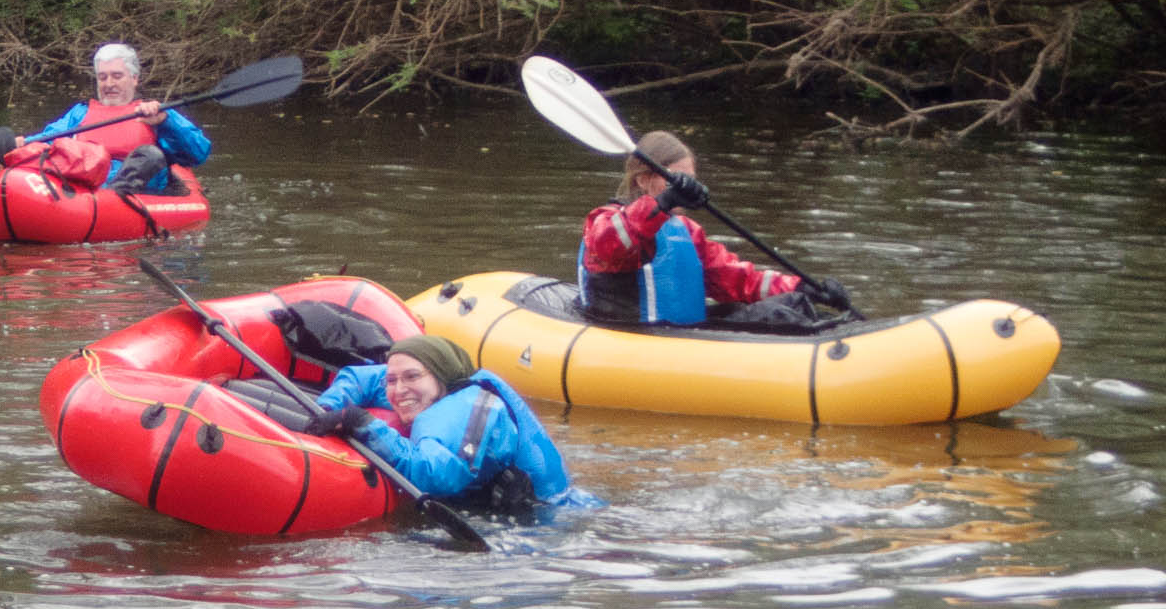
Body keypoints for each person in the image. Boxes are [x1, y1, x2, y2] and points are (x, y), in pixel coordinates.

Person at [577, 129, 850, 328]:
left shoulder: (686, 230)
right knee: (780, 320)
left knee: (791, 306)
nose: (686, 189)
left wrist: (803, 287)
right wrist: (662, 202)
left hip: (681, 334)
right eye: (678, 181)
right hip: (636, 337)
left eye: (690, 181)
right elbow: (607, 244)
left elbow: (737, 279)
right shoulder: (607, 220)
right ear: (645, 180)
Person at [304, 335, 593, 516]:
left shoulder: (462, 409)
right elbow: (359, 378)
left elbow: (433, 474)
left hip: (545, 520)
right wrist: (330, 407)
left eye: (411, 377)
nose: (397, 390)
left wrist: (362, 423)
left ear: (440, 378)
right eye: (392, 380)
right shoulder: (427, 385)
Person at [3, 43, 212, 193]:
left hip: (138, 192)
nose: (109, 83)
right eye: (102, 77)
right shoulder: (80, 113)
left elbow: (199, 153)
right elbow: (48, 140)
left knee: (150, 155)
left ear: (134, 78)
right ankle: (104, 196)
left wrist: (167, 122)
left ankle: (114, 195)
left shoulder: (155, 113)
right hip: (86, 188)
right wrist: (20, 146)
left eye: (117, 76)